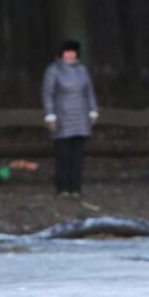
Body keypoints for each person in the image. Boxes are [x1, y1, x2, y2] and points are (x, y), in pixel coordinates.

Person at [42, 40, 98, 198]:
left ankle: (76, 187)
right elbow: (48, 94)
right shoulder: (53, 71)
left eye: (73, 52)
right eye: (67, 51)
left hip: (80, 117)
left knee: (77, 155)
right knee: (63, 155)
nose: (70, 54)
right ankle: (62, 188)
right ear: (62, 53)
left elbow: (89, 92)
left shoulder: (82, 70)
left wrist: (93, 111)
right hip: (62, 116)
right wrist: (50, 115)